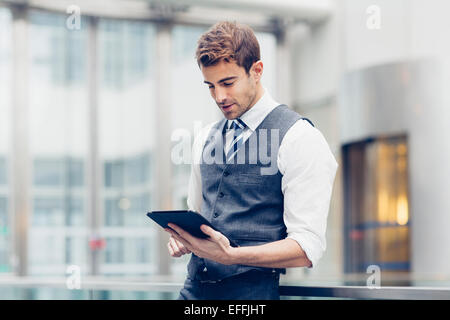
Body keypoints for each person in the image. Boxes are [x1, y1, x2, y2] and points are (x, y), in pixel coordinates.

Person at [164, 21, 338, 300]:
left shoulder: (300, 138)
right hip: (193, 293)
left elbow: (307, 247)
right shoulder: (205, 137)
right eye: (210, 86)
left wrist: (232, 256)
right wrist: (183, 238)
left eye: (227, 83)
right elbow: (197, 214)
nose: (219, 97)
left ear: (256, 71)